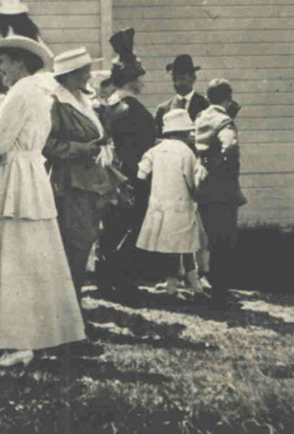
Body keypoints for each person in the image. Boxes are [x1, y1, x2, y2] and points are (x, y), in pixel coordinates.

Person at [0, 35, 85, 367]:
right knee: (35, 260)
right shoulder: (41, 93)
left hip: (14, 179)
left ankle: (17, 343)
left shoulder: (19, 94)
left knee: (10, 260)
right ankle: (37, 337)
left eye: (4, 62)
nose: (0, 69)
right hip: (32, 176)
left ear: (20, 62)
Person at [44, 48, 125, 299]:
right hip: (69, 182)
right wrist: (83, 149)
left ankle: (72, 303)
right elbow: (47, 144)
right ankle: (68, 306)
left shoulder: (81, 100)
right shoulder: (55, 103)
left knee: (84, 241)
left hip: (89, 181)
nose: (88, 77)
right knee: (74, 243)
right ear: (68, 75)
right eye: (83, 72)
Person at [96, 28, 156, 297]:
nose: (142, 82)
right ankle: (122, 283)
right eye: (139, 78)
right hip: (133, 177)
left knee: (112, 227)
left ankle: (106, 279)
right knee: (130, 226)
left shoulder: (109, 106)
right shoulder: (134, 110)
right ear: (131, 81)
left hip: (112, 175)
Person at [137, 110, 207, 295]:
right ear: (183, 132)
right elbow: (192, 181)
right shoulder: (186, 153)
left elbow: (141, 174)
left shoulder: (154, 150)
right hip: (181, 205)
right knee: (184, 244)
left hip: (159, 206)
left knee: (172, 247)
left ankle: (181, 283)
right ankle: (179, 285)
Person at [194, 78, 245, 309]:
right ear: (228, 97)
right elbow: (230, 146)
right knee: (224, 241)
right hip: (222, 187)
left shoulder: (201, 117)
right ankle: (220, 293)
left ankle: (216, 290)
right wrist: (224, 168)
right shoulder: (225, 121)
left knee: (212, 239)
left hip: (203, 185)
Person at [154, 55, 209, 138]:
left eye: (182, 79)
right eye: (175, 79)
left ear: (193, 78)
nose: (178, 83)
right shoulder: (163, 109)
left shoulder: (205, 106)